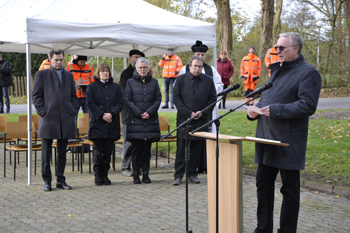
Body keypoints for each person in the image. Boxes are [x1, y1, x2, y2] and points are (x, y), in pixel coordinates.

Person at [247, 32, 322, 233]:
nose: (277, 51)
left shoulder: (308, 72)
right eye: (276, 47)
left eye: (282, 48)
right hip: (266, 137)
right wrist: (255, 110)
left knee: (289, 190)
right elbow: (268, 98)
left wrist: (277, 110)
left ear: (296, 49)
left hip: (287, 141)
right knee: (263, 186)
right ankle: (263, 229)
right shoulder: (276, 70)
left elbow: (308, 105)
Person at [32, 49, 77, 192]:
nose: (58, 62)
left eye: (61, 60)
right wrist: (43, 112)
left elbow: (73, 96)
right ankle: (47, 181)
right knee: (46, 153)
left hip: (65, 118)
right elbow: (36, 96)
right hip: (48, 119)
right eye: (56, 60)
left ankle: (60, 180)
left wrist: (72, 110)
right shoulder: (42, 74)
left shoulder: (69, 76)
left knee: (62, 152)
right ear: (50, 59)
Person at [179, 40, 223, 174]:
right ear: (193, 56)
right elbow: (179, 90)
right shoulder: (184, 70)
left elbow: (219, 86)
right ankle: (184, 169)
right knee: (185, 143)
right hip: (188, 112)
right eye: (198, 54)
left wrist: (207, 101)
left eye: (202, 54)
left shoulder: (211, 70)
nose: (200, 56)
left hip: (206, 111)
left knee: (203, 138)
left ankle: (203, 166)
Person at [172, 56, 217, 185]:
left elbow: (212, 99)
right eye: (195, 66)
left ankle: (192, 173)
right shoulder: (180, 80)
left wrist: (202, 113)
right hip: (184, 120)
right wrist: (188, 113)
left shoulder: (208, 81)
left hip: (200, 120)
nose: (197, 69)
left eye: (199, 66)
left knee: (196, 149)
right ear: (190, 66)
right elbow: (176, 98)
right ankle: (178, 175)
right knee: (181, 148)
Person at [124, 57, 161, 184]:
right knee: (136, 150)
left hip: (149, 121)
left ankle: (146, 174)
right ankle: (135, 175)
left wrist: (149, 112)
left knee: (147, 151)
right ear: (136, 68)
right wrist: (139, 113)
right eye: (140, 67)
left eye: (145, 67)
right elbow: (128, 99)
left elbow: (158, 99)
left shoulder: (155, 82)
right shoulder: (130, 82)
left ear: (148, 68)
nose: (143, 70)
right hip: (136, 121)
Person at [86, 64, 124, 186]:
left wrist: (111, 114)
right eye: (102, 71)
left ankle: (105, 175)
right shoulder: (92, 87)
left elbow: (120, 103)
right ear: (98, 73)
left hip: (111, 123)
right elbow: (90, 103)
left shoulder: (116, 87)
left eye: (107, 71)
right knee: (97, 151)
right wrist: (102, 115)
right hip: (98, 122)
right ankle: (98, 174)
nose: (105, 73)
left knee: (108, 151)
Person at [119, 49, 145, 177]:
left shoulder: (145, 73)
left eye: (139, 57)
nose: (137, 59)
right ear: (130, 58)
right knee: (128, 143)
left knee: (140, 142)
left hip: (142, 115)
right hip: (128, 114)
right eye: (135, 57)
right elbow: (125, 95)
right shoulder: (126, 74)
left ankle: (138, 166)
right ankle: (125, 167)